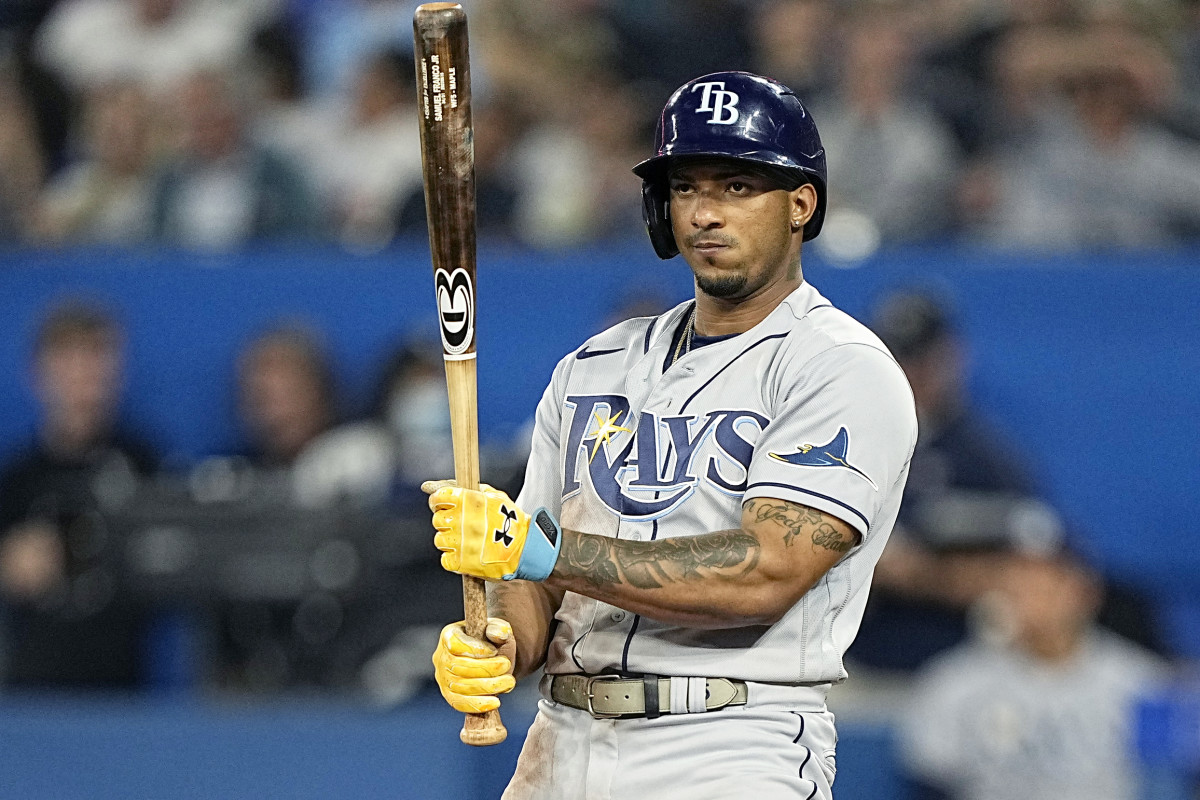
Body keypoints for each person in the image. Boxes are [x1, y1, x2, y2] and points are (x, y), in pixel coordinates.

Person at [422, 71, 917, 799]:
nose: (706, 213)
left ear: (801, 204)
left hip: (728, 743)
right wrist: (501, 640)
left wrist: (542, 552)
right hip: (560, 742)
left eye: (738, 187)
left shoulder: (840, 368)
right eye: (687, 188)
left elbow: (766, 571)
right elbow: (533, 571)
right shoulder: (593, 366)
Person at [899, 531, 1171, 800]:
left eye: (1048, 581)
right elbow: (928, 781)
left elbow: (1163, 780)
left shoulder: (1143, 684)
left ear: (1086, 592)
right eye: (1018, 579)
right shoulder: (951, 684)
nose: (1030, 594)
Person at [0, 299, 158, 688]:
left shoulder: (145, 465)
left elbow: (173, 559)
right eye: (69, 359)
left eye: (97, 357)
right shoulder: (18, 478)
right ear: (39, 373)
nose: (85, 376)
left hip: (123, 690)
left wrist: (71, 550)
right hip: (33, 689)